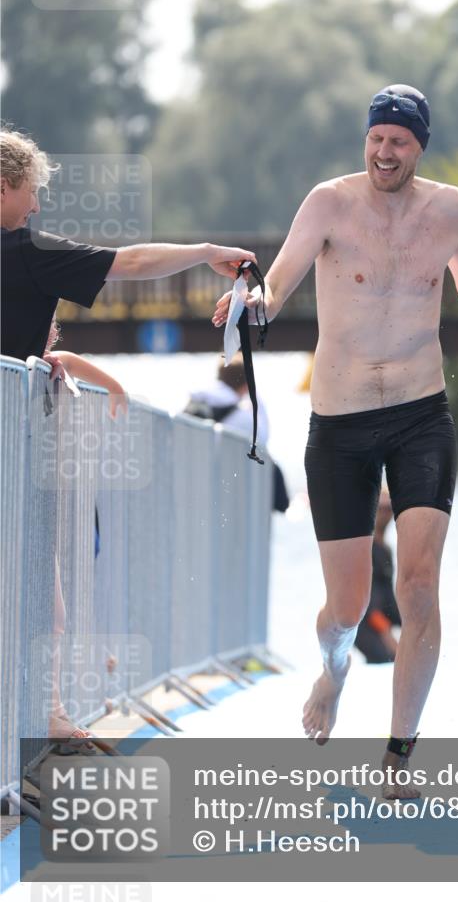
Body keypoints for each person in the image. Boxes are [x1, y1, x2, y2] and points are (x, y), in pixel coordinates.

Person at [213, 83, 458, 798]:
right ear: (366, 139)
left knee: (416, 586)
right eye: (376, 138)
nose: (385, 151)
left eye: (399, 141)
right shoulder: (327, 203)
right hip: (341, 422)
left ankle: (398, 755)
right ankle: (334, 671)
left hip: (421, 412)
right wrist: (249, 302)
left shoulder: (450, 210)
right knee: (345, 608)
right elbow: (280, 281)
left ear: (420, 147)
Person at [1, 128, 257, 362]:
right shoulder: (26, 250)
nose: (36, 207)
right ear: (2, 187)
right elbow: (133, 263)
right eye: (32, 191)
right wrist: (207, 252)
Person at [43, 316, 128, 741]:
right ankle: (50, 714)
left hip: (46, 508)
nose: (52, 338)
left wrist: (115, 388)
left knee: (58, 611)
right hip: (32, 505)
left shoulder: (47, 362)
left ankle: (55, 712)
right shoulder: (22, 365)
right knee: (52, 611)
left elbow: (67, 358)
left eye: (53, 329)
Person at [185, 357, 289, 512]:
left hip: (193, 482)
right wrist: (255, 395)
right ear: (245, 385)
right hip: (227, 489)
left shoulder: (195, 403)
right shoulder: (241, 418)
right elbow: (262, 438)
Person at [354, 487, 402, 664]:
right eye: (379, 507)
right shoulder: (367, 549)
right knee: (389, 658)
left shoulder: (386, 549)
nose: (385, 513)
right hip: (366, 624)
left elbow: (388, 594)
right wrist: (386, 634)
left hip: (381, 621)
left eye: (389, 508)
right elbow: (370, 600)